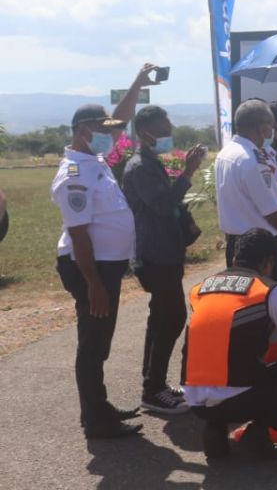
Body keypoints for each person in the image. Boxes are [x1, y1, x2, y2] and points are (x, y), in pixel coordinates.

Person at [51, 65, 162, 439]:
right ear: (84, 131)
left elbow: (123, 118)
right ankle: (96, 420)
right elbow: (79, 234)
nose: (111, 134)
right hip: (90, 268)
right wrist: (93, 283)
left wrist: (138, 83)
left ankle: (99, 408)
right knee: (92, 342)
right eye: (103, 129)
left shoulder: (93, 159)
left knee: (99, 342)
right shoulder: (74, 175)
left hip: (104, 267)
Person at [182, 228, 277, 460]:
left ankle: (215, 427)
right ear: (268, 263)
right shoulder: (271, 292)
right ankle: (257, 433)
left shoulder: (201, 288)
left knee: (230, 362)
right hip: (239, 400)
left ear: (235, 258)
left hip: (195, 401)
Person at [121, 105, 207, 415]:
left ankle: (153, 384)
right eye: (164, 130)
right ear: (145, 133)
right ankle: (152, 389)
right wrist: (187, 173)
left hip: (164, 252)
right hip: (155, 254)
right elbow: (162, 204)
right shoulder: (140, 166)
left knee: (160, 317)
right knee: (171, 318)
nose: (169, 135)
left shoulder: (150, 162)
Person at [214, 100, 277, 269]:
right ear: (262, 128)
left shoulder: (226, 153)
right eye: (271, 127)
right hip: (260, 249)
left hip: (236, 243)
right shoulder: (251, 160)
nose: (272, 132)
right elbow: (272, 212)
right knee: (265, 294)